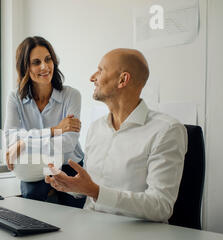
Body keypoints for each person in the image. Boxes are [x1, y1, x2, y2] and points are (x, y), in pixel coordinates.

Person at [45, 48, 188, 222]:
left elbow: (160, 206)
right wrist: (72, 185)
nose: (92, 77)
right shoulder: (96, 128)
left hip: (136, 239)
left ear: (122, 80)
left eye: (100, 70)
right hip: (90, 229)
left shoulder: (166, 130)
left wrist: (95, 192)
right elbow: (91, 186)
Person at [4, 36, 85, 208]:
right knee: (31, 198)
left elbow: (67, 143)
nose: (44, 67)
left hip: (68, 163)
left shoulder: (72, 96)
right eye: (36, 62)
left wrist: (24, 143)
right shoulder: (15, 97)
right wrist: (55, 130)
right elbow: (10, 138)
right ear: (24, 67)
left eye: (48, 59)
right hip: (36, 165)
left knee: (73, 212)